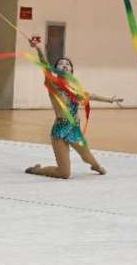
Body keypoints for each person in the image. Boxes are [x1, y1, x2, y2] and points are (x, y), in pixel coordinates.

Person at [24, 37, 123, 178]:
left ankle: (95, 166)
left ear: (71, 71)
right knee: (64, 173)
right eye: (60, 64)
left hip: (74, 130)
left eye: (67, 64)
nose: (64, 65)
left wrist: (110, 100)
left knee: (86, 156)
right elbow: (45, 65)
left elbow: (91, 95)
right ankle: (36, 170)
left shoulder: (75, 91)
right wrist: (38, 48)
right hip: (59, 130)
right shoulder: (53, 85)